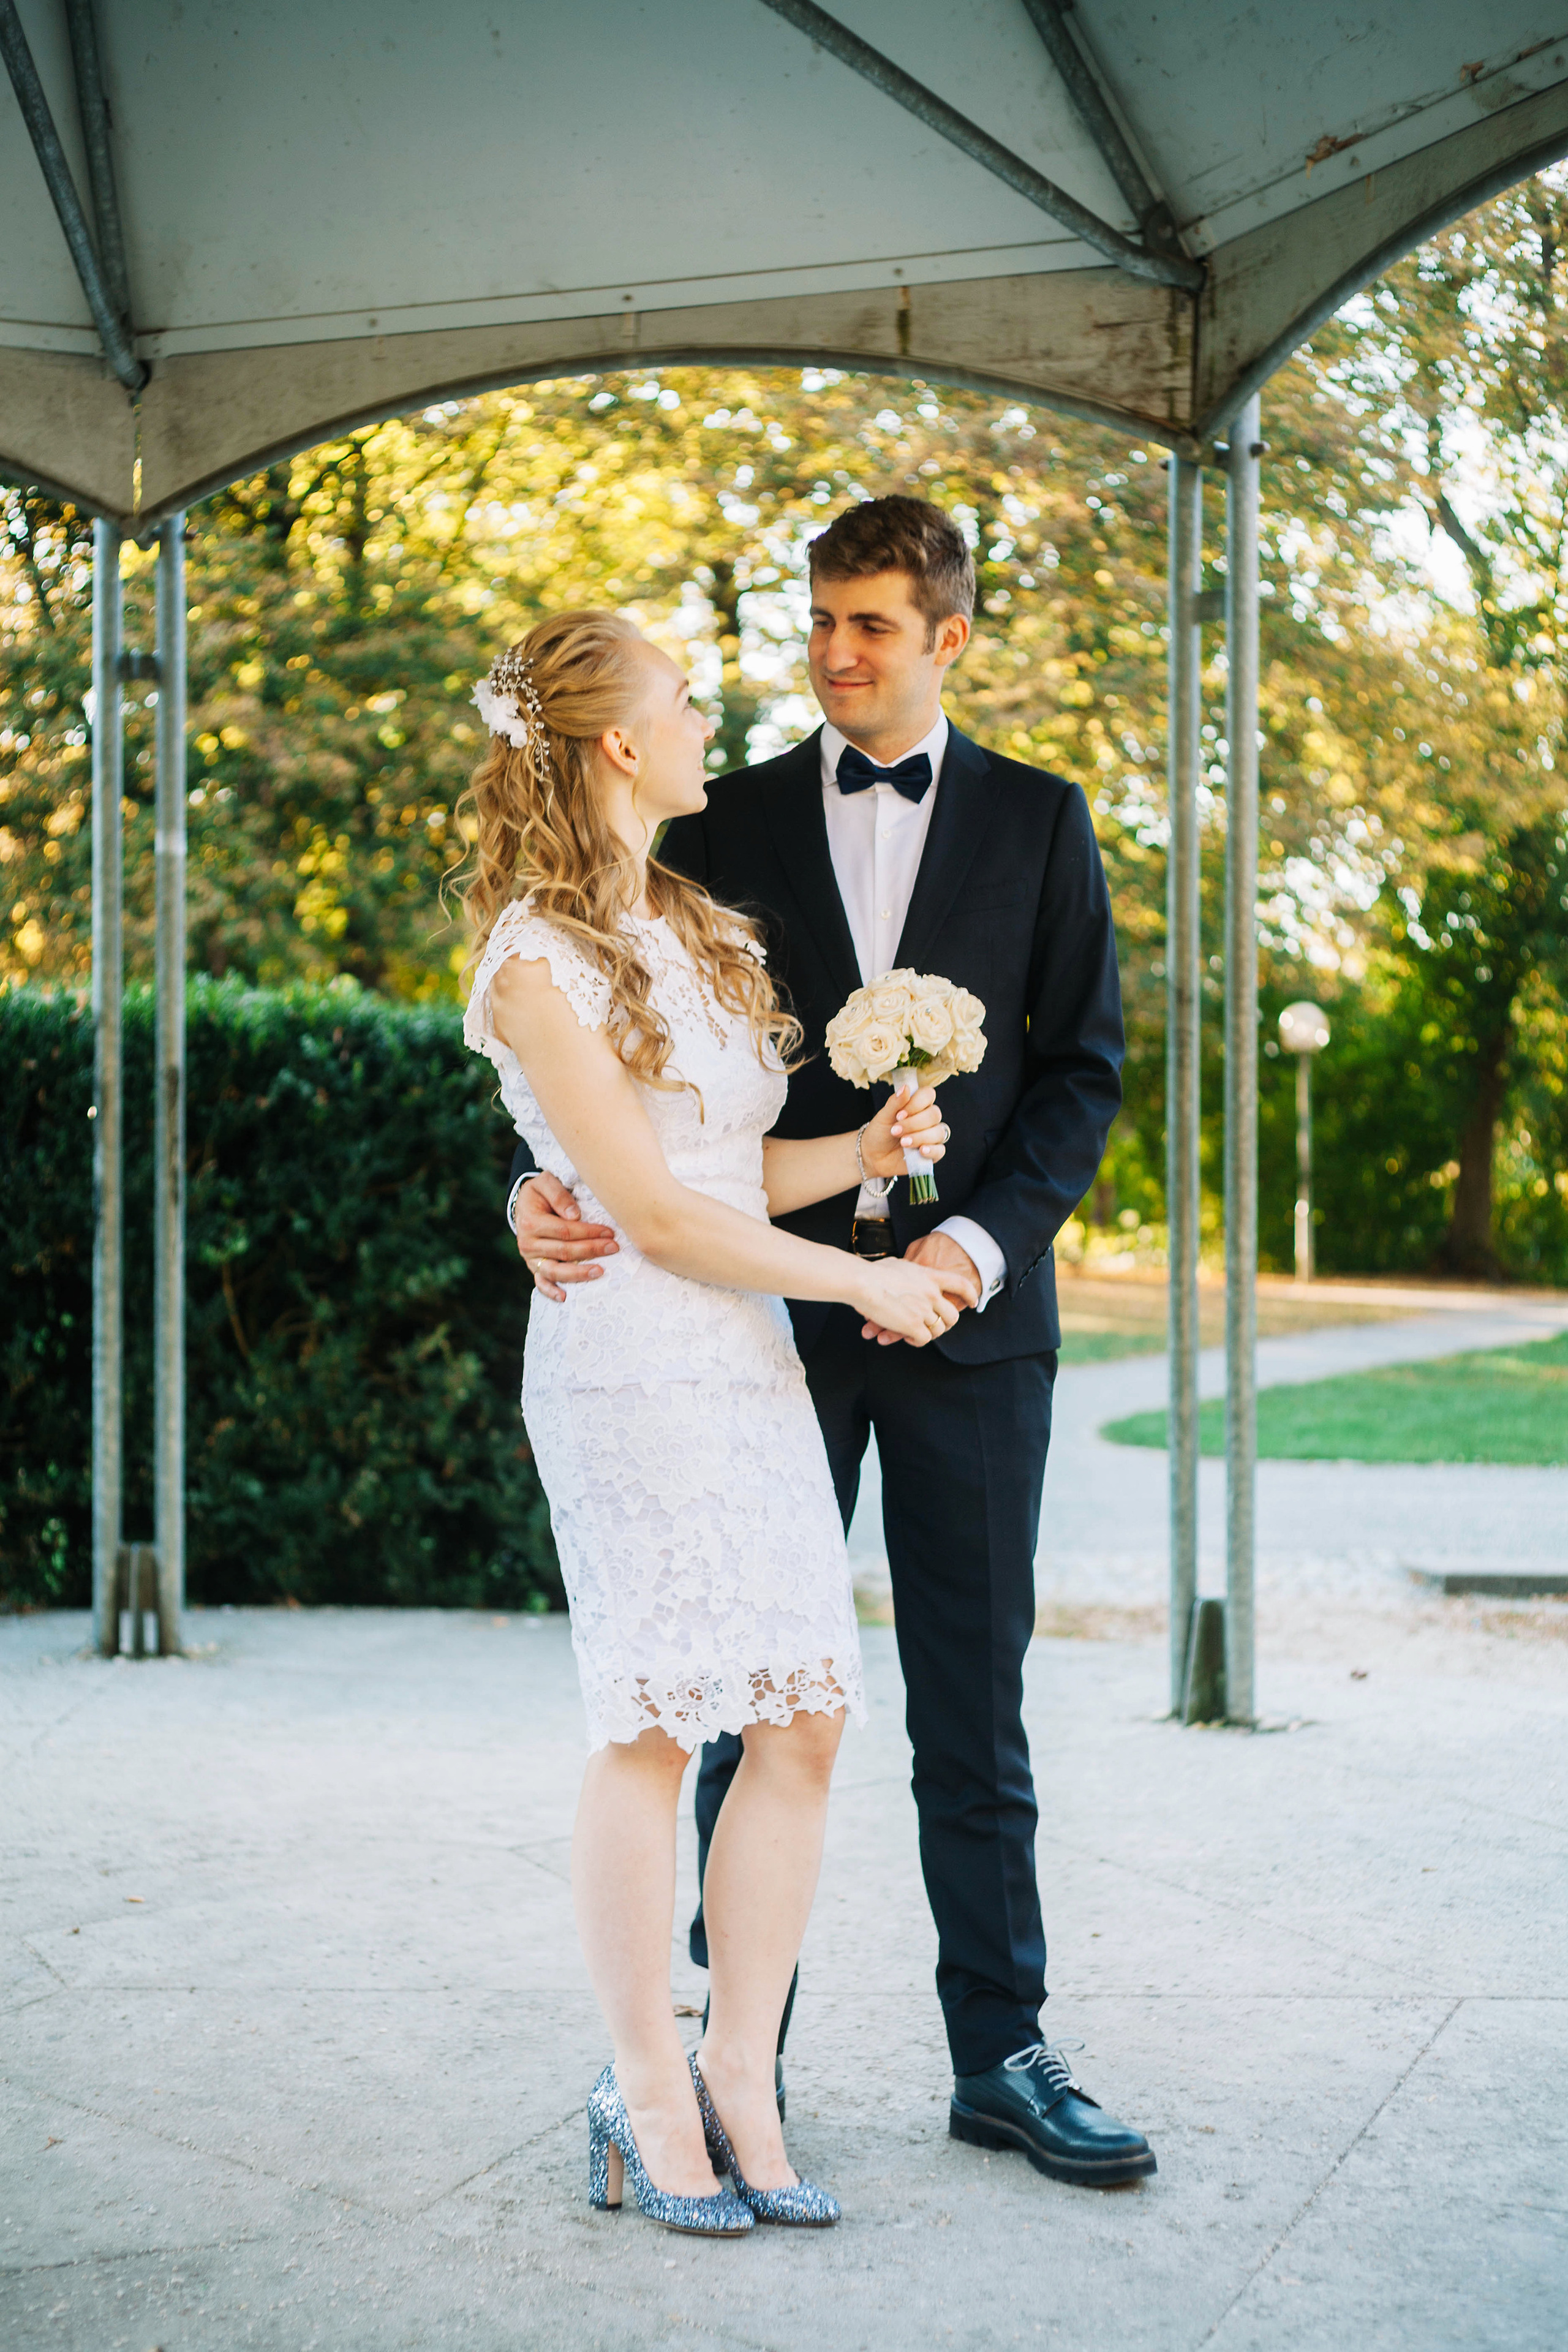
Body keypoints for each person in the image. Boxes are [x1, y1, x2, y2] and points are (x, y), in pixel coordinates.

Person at [509, 497, 1157, 2190]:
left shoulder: (1042, 820)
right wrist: (527, 1186)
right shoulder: (709, 823)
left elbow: (1083, 1071)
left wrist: (965, 1241)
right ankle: (732, 2055)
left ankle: (1002, 2050)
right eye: (823, 621)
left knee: (971, 1711)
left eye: (872, 624)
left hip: (968, 1326)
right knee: (739, 1701)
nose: (835, 652)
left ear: (950, 634)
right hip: (748, 1321)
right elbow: (600, 1065)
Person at [459, 607, 965, 2237]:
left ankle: (744, 2070)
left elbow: (730, 1176)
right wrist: (861, 1283)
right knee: (657, 1721)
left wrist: (869, 1155)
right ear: (618, 741)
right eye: (681, 703)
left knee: (804, 1719)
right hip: (630, 1361)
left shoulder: (686, 923)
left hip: (742, 1360)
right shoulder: (532, 956)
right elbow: (655, 1221)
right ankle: (648, 2086)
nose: (703, 724)